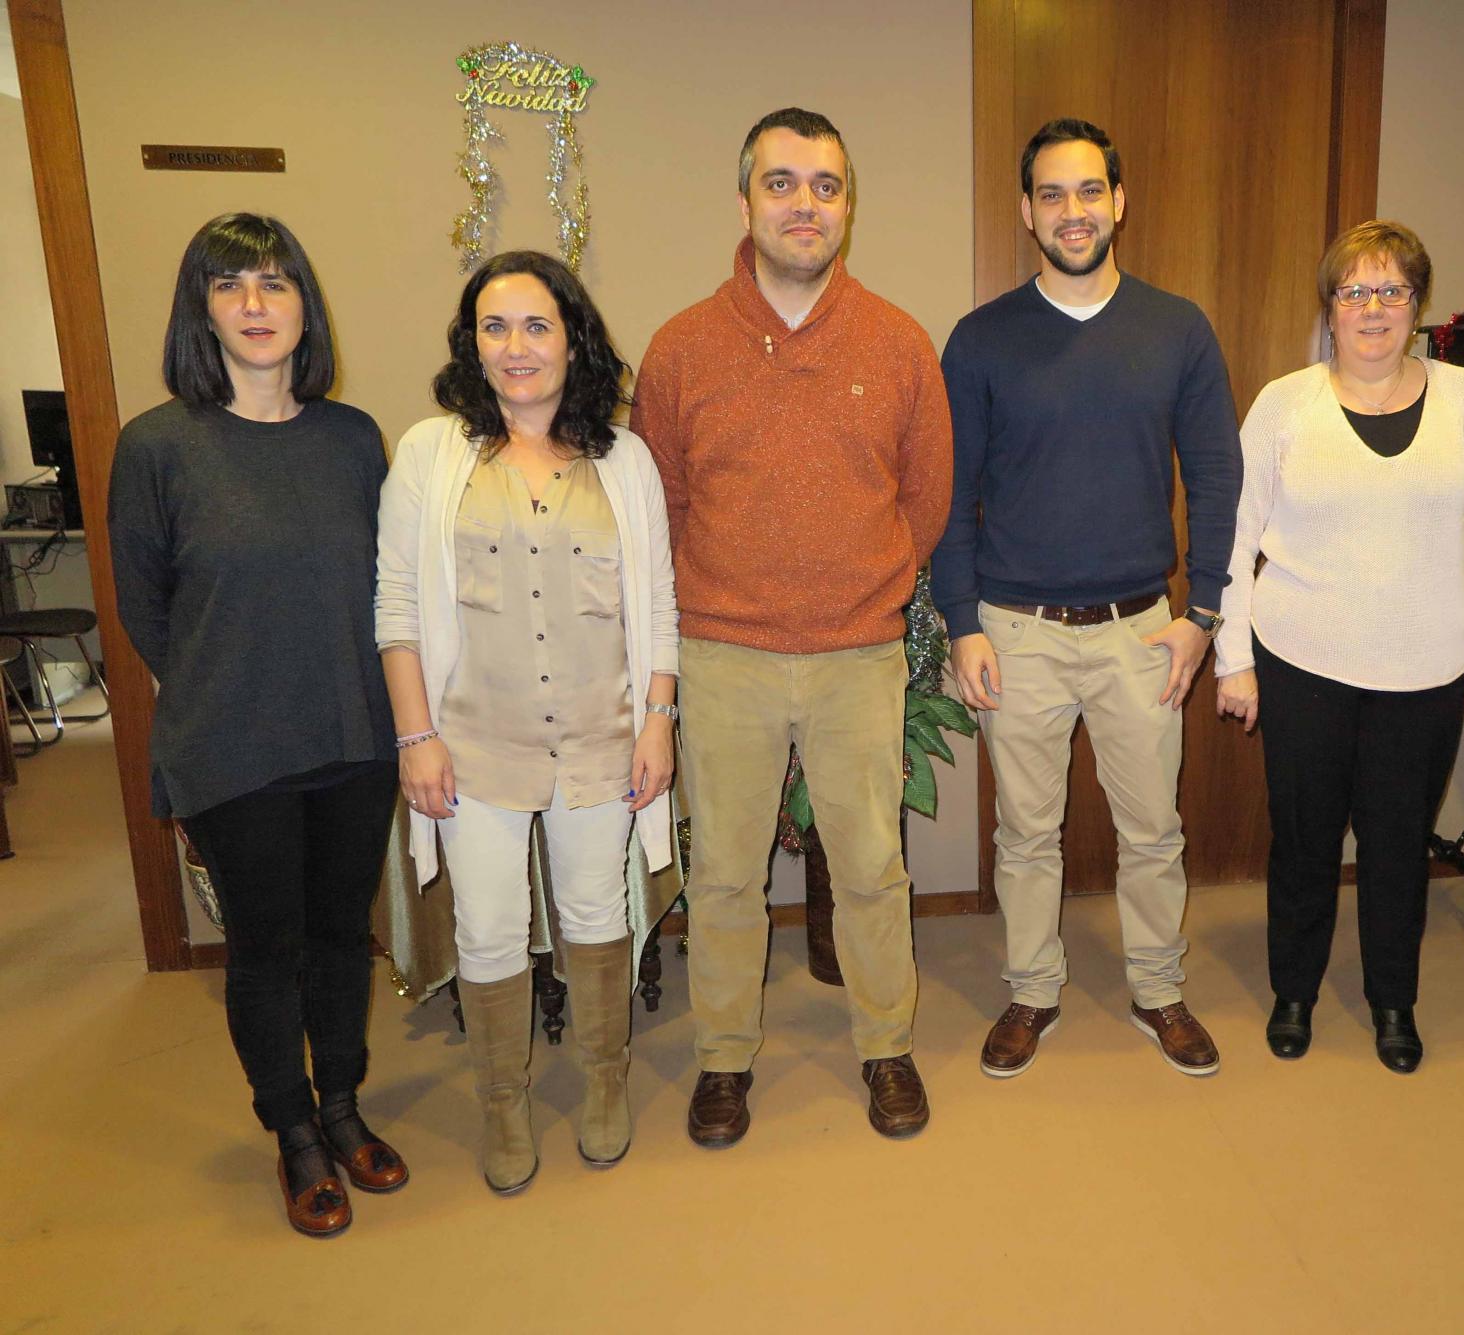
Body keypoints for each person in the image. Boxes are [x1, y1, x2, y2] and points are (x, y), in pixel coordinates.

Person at [629, 107, 951, 1143]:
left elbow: (926, 496)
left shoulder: (897, 341)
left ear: (846, 206)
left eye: (824, 185)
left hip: (858, 656)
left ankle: (884, 1044)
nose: (803, 204)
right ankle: (722, 1059)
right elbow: (658, 502)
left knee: (869, 869)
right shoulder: (681, 349)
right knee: (723, 874)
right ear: (744, 201)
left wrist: (865, 588)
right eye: (781, 183)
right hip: (724, 656)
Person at [108, 213, 404, 1238]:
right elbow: (146, 609)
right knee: (265, 949)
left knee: (338, 937)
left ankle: (343, 1106)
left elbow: (385, 589)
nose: (253, 304)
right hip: (234, 746)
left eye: (274, 284)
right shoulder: (157, 447)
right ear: (201, 310)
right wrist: (220, 688)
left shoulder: (352, 437)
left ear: (302, 304)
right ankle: (293, 1133)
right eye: (228, 286)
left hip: (353, 736)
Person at [937, 117, 1244, 1079]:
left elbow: (1218, 477)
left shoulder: (1177, 328)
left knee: (1153, 828)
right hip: (1015, 631)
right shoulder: (982, 340)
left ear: (1120, 201)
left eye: (1089, 192)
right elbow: (949, 496)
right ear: (1028, 211)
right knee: (1025, 833)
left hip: (1140, 633)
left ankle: (1158, 986)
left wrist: (1202, 616)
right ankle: (1032, 989)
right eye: (1052, 195)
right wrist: (961, 623)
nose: (1073, 212)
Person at [375, 250, 678, 1194]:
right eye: (493, 328)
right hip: (472, 745)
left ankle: (603, 1081)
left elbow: (658, 605)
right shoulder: (431, 452)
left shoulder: (624, 460)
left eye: (537, 325)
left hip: (600, 736)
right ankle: (502, 1104)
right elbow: (394, 604)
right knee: (492, 928)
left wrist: (658, 720)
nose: (516, 347)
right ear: (471, 344)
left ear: (573, 337)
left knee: (598, 912)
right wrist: (415, 736)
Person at [1214, 220, 1464, 1072]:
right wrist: (1232, 657)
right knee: (1305, 841)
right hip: (1301, 663)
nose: (1374, 308)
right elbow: (1232, 540)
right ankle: (1295, 991)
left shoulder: (1462, 399)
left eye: (1393, 290)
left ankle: (1394, 999)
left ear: (1417, 306)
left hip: (1424, 670)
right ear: (1331, 309)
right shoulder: (1285, 404)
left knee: (1397, 847)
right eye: (1356, 291)